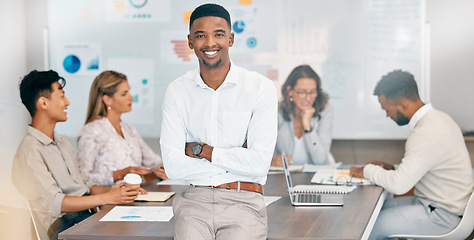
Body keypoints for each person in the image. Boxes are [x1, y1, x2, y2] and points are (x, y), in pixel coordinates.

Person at [160, 3, 277, 240]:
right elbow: (173, 166)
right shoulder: (177, 91)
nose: (210, 43)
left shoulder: (259, 88)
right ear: (190, 41)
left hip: (243, 200)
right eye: (201, 35)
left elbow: (259, 163)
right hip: (194, 202)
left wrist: (203, 150)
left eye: (219, 34)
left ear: (231, 39)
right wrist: (235, 158)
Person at [12, 70, 141, 240]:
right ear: (43, 103)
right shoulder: (30, 151)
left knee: (137, 225)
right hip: (64, 228)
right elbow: (55, 203)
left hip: (85, 218)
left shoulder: (61, 141)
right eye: (62, 95)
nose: (67, 102)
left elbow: (85, 184)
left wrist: (117, 192)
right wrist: (107, 197)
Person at [349, 70, 473, 239]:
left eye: (387, 110)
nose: (387, 115)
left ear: (403, 105)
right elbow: (427, 163)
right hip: (439, 205)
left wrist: (366, 171)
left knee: (365, 226)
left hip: (443, 216)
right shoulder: (440, 118)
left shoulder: (425, 133)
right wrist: (392, 168)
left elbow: (399, 185)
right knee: (374, 210)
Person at [76, 70, 167, 187]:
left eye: (129, 92)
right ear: (107, 99)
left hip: (135, 197)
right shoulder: (91, 132)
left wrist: (162, 169)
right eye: (124, 94)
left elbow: (153, 161)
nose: (131, 97)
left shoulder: (129, 129)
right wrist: (118, 174)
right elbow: (82, 178)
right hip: (108, 202)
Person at [272, 65, 334, 167]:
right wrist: (273, 161)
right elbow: (266, 153)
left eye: (312, 92)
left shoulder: (326, 110)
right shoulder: (276, 111)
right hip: (283, 177)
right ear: (290, 91)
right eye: (302, 92)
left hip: (317, 175)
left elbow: (320, 159)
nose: (308, 98)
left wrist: (307, 126)